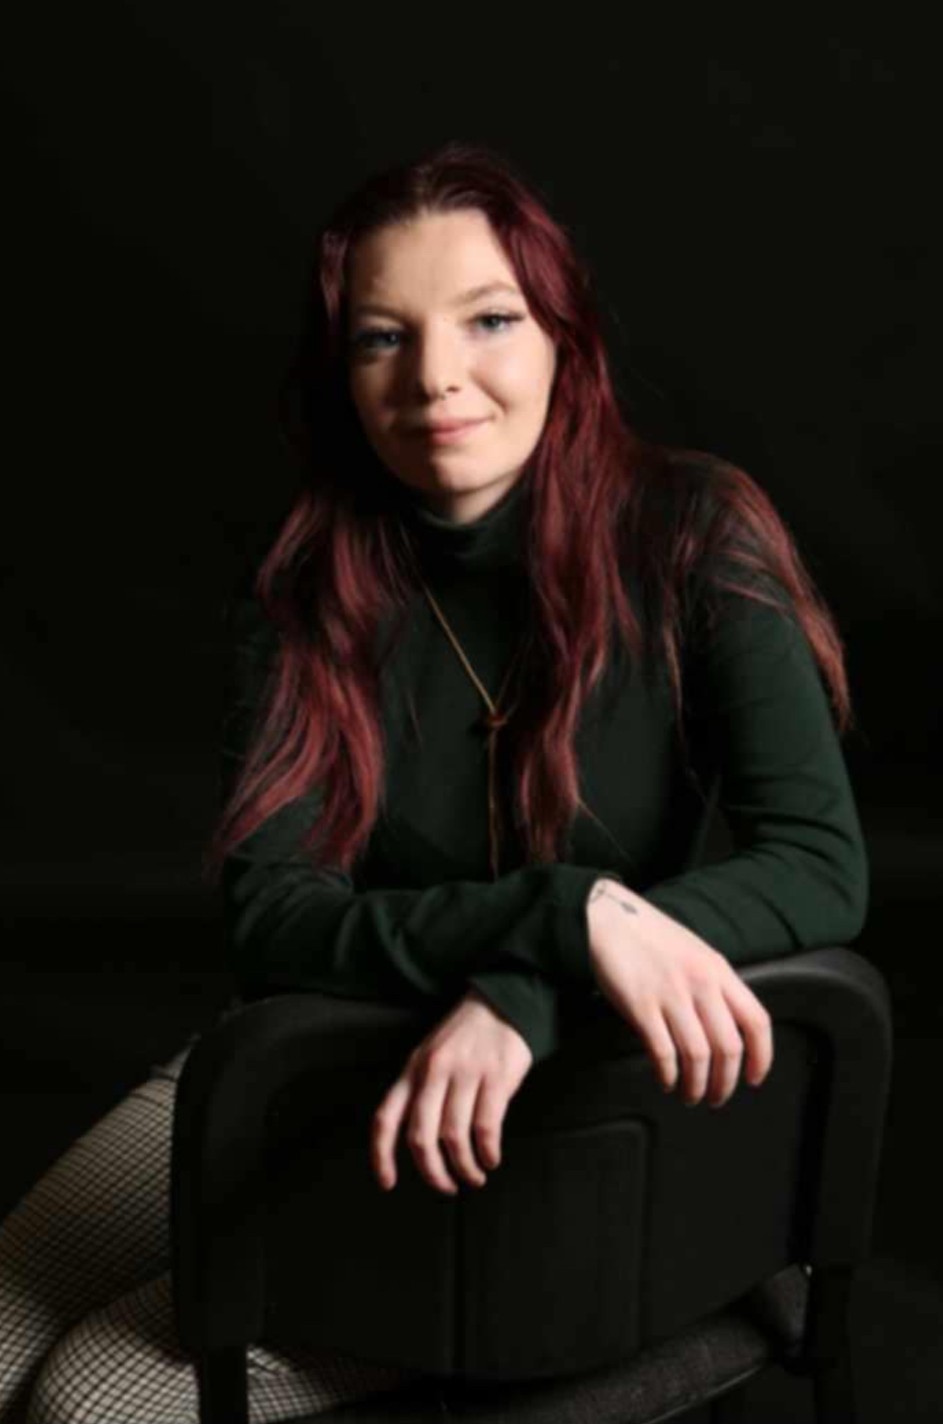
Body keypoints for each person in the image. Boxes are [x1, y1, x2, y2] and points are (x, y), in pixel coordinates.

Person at [0, 138, 868, 1424]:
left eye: (489, 319)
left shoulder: (691, 531)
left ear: (564, 336)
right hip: (336, 1049)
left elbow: (819, 862)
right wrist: (561, 912)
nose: (436, 377)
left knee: (87, 1400)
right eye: (381, 338)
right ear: (341, 373)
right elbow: (271, 918)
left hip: (577, 1085)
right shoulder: (308, 590)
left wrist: (527, 983)